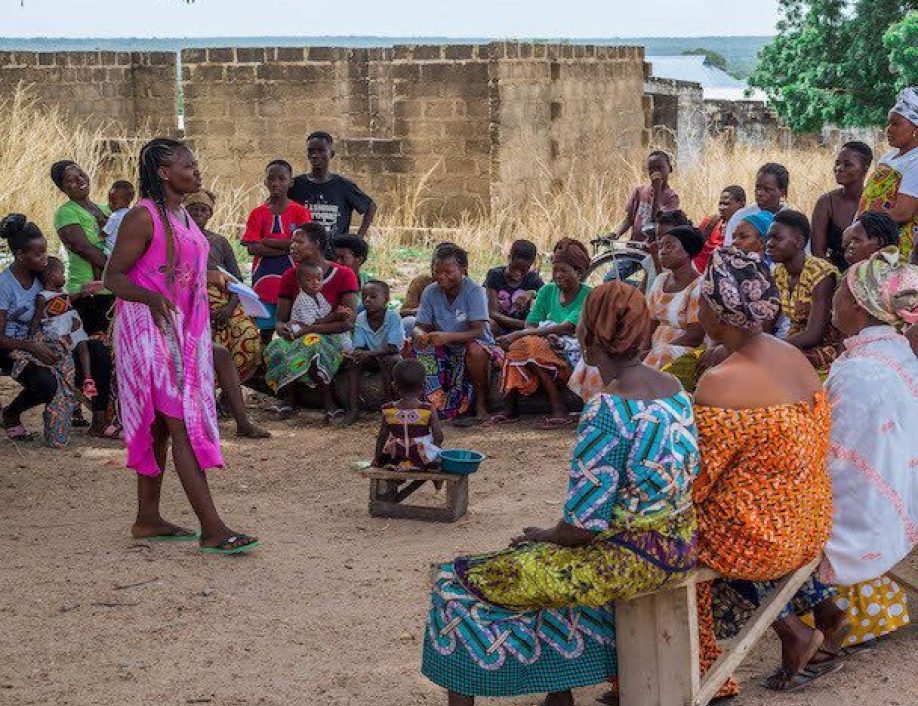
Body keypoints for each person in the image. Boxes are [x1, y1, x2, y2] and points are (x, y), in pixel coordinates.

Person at [421, 281, 699, 706]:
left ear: (586, 341)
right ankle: (559, 694)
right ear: (644, 336)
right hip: (678, 544)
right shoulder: (676, 392)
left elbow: (581, 529)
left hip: (629, 559)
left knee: (456, 581)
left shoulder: (608, 409)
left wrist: (542, 534)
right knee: (546, 566)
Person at [104, 137, 258, 554]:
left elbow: (179, 269)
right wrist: (152, 297)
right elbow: (112, 277)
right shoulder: (144, 216)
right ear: (163, 172)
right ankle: (212, 527)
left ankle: (147, 518)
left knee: (160, 426)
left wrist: (210, 277)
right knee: (181, 423)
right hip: (148, 328)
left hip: (181, 331)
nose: (196, 171)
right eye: (187, 165)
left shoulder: (184, 219)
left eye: (195, 164)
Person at [692, 247, 836, 691]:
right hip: (812, 521)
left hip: (764, 541)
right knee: (747, 505)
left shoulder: (720, 382)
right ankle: (819, 611)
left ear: (719, 313)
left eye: (702, 299)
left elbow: (697, 480)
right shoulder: (792, 355)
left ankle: (707, 673)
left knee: (674, 533)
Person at [807, 249, 918, 659]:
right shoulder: (897, 353)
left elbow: (832, 461)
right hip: (906, 498)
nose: (832, 300)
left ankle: (821, 614)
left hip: (870, 515)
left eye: (837, 292)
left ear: (854, 302)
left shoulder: (859, 371)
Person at [492, 238, 591, 429]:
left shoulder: (589, 295)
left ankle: (558, 407)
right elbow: (530, 324)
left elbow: (567, 328)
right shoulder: (547, 291)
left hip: (572, 355)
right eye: (555, 270)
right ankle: (510, 407)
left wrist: (518, 335)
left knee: (528, 344)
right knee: (524, 345)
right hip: (545, 351)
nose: (558, 275)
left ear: (578, 272)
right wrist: (527, 336)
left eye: (564, 270)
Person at [268, 222, 359, 421]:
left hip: (333, 335)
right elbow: (280, 319)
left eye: (299, 241)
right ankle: (289, 399)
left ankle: (330, 404)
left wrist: (310, 329)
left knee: (313, 344)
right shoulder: (291, 276)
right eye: (291, 241)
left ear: (316, 244)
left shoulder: (344, 274)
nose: (292, 246)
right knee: (277, 346)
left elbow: (347, 322)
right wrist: (283, 328)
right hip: (300, 333)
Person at [1, 215, 74, 445]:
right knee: (46, 384)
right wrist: (31, 345)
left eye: (45, 251)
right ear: (20, 256)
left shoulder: (42, 277)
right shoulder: (5, 286)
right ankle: (11, 413)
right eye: (38, 254)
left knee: (74, 361)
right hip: (8, 346)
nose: (45, 258)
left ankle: (65, 422)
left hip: (36, 342)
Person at [409, 242, 501, 424]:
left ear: (463, 270)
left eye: (448, 272)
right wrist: (420, 334)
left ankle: (481, 405)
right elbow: (420, 325)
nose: (441, 277)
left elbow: (478, 330)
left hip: (473, 343)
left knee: (476, 350)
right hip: (443, 346)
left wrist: (447, 337)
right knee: (414, 348)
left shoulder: (475, 291)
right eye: (437, 271)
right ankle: (433, 405)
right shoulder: (430, 291)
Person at [185, 189, 263, 384]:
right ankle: (205, 390)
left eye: (204, 210)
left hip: (223, 299)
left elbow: (237, 281)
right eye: (193, 210)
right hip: (190, 297)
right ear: (184, 211)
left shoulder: (219, 242)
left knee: (249, 334)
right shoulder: (179, 239)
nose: (199, 214)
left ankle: (228, 389)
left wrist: (229, 308)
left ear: (211, 214)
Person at [242, 159, 312, 344]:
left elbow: (303, 244)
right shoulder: (257, 213)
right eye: (271, 178)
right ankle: (263, 363)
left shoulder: (300, 212)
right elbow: (252, 248)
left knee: (292, 324)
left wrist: (267, 241)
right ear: (265, 182)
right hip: (263, 276)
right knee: (264, 326)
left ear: (291, 182)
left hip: (293, 275)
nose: (276, 183)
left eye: (282, 179)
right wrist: (288, 247)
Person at [767, 210, 842, 374]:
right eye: (769, 238)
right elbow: (768, 322)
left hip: (828, 347)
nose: (770, 243)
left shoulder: (821, 274)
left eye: (777, 238)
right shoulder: (779, 273)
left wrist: (771, 348)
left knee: (774, 366)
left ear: (800, 242)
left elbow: (814, 334)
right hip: (794, 342)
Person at [51, 160, 113, 336]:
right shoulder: (66, 212)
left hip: (113, 288)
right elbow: (82, 247)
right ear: (63, 188)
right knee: (97, 350)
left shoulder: (107, 208)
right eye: (71, 179)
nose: (79, 180)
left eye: (80, 174)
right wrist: (118, 270)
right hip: (87, 293)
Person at [289, 131, 376, 255]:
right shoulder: (296, 185)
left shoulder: (343, 186)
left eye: (321, 150)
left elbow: (370, 206)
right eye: (311, 151)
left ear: (332, 154)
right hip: (303, 255)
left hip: (333, 255)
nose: (315, 155)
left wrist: (359, 238)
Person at [858, 86, 918, 264]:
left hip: (894, 244)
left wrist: (863, 226)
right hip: (869, 237)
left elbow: (902, 212)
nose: (888, 129)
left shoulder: (916, 160)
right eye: (888, 123)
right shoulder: (888, 157)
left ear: (915, 128)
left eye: (896, 124)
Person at [341, 279, 404, 426]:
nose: (367, 300)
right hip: (372, 358)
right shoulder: (361, 318)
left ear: (386, 299)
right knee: (353, 361)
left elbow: (393, 348)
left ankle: (389, 404)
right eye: (364, 297)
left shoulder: (393, 317)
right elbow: (360, 346)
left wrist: (369, 353)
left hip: (389, 355)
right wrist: (357, 354)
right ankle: (354, 408)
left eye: (373, 297)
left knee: (391, 360)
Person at [644, 225, 706, 369]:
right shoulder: (661, 280)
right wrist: (643, 349)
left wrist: (654, 351)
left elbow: (694, 336)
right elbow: (650, 323)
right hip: (656, 348)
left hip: (683, 351)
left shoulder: (699, 286)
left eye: (669, 246)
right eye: (661, 247)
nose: (662, 252)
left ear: (687, 251)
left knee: (658, 356)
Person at [32, 257, 94, 399]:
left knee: (82, 345)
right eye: (62, 272)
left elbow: (68, 300)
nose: (64, 276)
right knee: (66, 359)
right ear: (51, 276)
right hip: (58, 331)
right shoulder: (43, 297)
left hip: (73, 327)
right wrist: (33, 336)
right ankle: (68, 388)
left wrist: (81, 294)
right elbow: (37, 317)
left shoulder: (62, 291)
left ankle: (88, 378)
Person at [811, 142, 873, 271]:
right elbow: (818, 252)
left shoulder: (874, 202)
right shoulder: (827, 202)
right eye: (837, 163)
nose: (839, 168)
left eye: (848, 164)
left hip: (869, 274)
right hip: (832, 274)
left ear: (865, 169)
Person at [373, 358, 443, 472]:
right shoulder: (427, 409)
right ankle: (435, 476)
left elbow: (382, 435)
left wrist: (377, 458)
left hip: (395, 458)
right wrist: (436, 451)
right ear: (424, 385)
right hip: (421, 459)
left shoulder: (388, 409)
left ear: (394, 386)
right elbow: (438, 436)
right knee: (436, 455)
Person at [610, 150, 679, 241]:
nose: (655, 172)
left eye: (659, 168)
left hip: (652, 250)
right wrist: (616, 234)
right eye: (651, 168)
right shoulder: (639, 191)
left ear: (670, 169)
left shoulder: (671, 198)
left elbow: (657, 222)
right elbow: (629, 219)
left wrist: (657, 190)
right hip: (635, 247)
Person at [483, 239, 544, 335]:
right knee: (488, 324)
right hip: (499, 327)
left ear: (530, 265)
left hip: (524, 332)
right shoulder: (495, 275)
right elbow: (492, 312)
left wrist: (532, 293)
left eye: (524, 269)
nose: (518, 272)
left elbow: (547, 300)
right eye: (515, 267)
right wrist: (523, 324)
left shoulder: (533, 279)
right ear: (509, 258)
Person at [724, 162, 790, 245]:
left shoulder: (791, 222)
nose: (760, 193)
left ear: (782, 192)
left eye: (767, 189)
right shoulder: (741, 216)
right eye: (758, 187)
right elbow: (728, 247)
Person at [694, 186, 746, 271]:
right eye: (720, 204)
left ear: (741, 204)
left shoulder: (745, 231)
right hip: (696, 275)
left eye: (726, 204)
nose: (721, 208)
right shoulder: (710, 222)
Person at [102, 180, 136, 256]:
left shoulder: (115, 216)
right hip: (124, 252)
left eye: (114, 202)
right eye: (109, 200)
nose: (110, 204)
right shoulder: (132, 214)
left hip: (110, 251)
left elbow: (104, 233)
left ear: (128, 200)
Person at [400, 269, 435, 337]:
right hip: (423, 325)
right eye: (438, 271)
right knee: (409, 322)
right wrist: (423, 312)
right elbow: (404, 311)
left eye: (448, 271)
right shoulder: (423, 281)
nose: (442, 276)